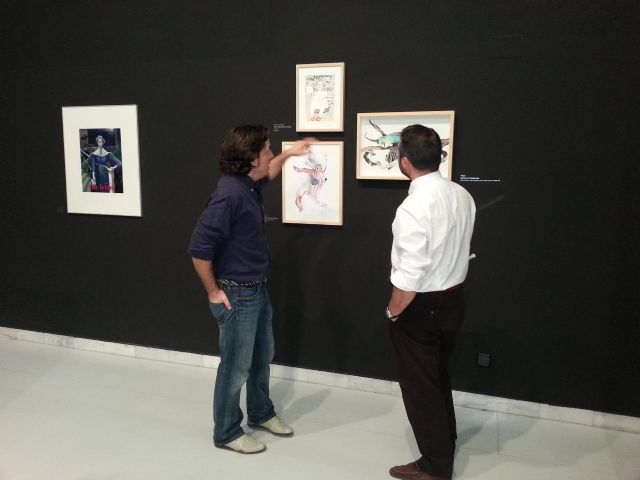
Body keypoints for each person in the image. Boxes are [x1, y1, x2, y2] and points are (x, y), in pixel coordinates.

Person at [188, 125, 312, 454]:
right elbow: (199, 248)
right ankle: (227, 431)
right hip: (237, 295)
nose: (271, 154)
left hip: (257, 290)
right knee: (235, 367)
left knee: (261, 358)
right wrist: (213, 291)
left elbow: (270, 170)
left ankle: (260, 412)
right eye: (267, 149)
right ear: (251, 159)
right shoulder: (229, 195)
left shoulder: (248, 183)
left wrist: (290, 153)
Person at [385, 125, 475, 480]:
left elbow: (409, 276)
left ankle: (435, 466)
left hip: (421, 307)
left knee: (420, 388)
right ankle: (445, 443)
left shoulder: (412, 208)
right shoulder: (461, 194)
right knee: (437, 376)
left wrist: (393, 312)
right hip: (454, 299)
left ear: (405, 161)